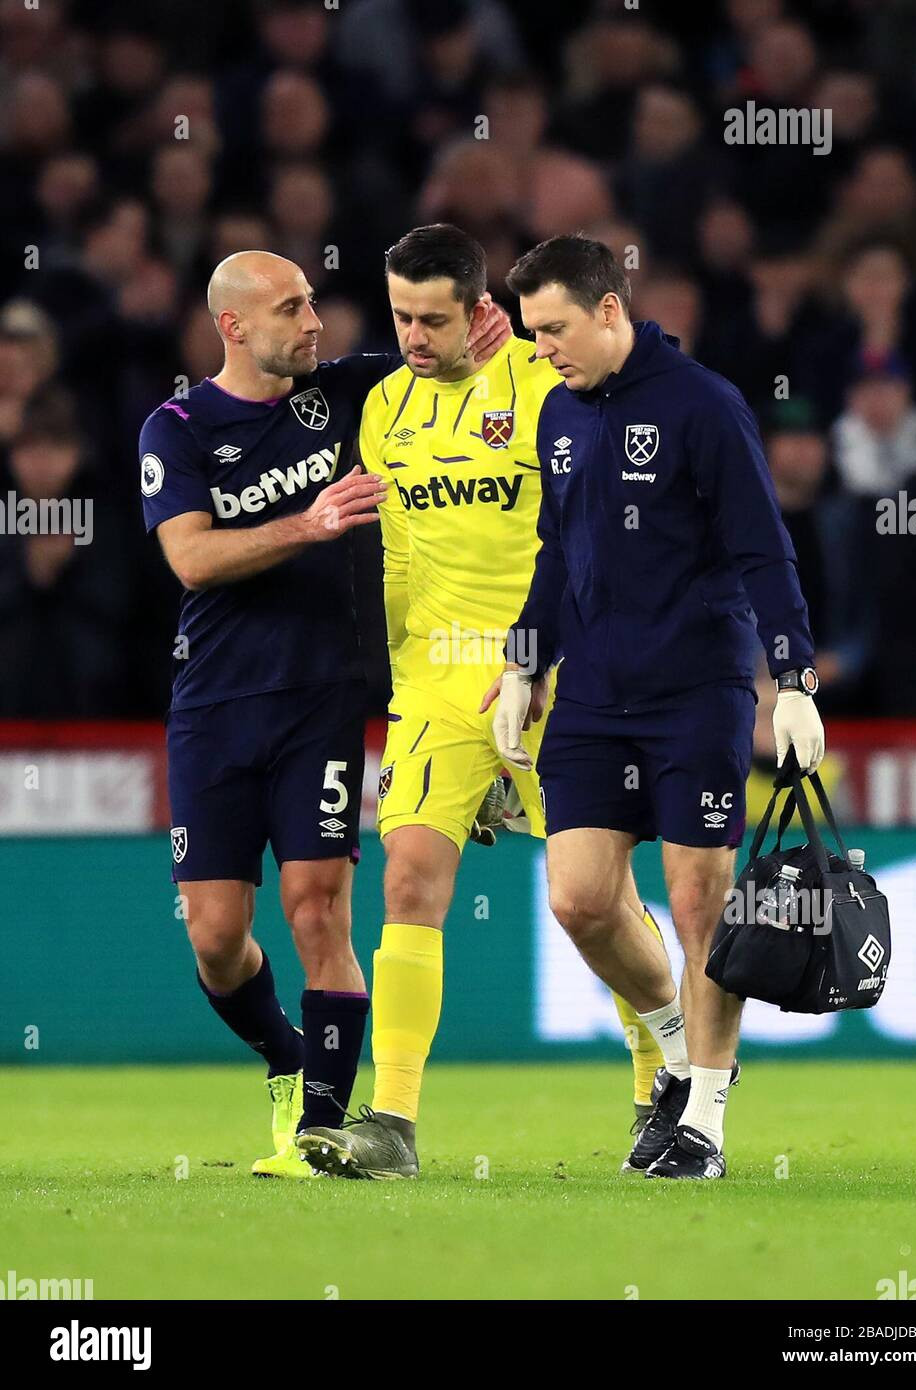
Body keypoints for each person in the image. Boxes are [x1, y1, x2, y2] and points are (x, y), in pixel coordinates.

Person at [296, 224, 676, 1180]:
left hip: (555, 675)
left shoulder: (546, 388)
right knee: (410, 878)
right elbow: (390, 550)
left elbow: (603, 513)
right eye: (399, 317)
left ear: (483, 312)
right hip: (436, 681)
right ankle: (394, 1122)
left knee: (599, 902)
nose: (414, 338)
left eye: (432, 319)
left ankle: (656, 1089)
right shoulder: (384, 406)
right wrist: (379, 672)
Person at [138, 249, 507, 1178]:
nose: (316, 323)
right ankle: (285, 1058)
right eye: (292, 308)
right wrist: (310, 522)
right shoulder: (177, 427)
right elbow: (189, 560)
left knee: (317, 915)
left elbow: (454, 357)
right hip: (215, 702)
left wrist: (489, 329)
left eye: (314, 303)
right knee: (218, 938)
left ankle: (324, 1129)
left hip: (326, 696)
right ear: (234, 326)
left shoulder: (351, 393)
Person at [488, 235, 825, 1179]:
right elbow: (556, 554)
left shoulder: (703, 407)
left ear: (607, 310)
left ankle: (705, 1126)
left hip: (694, 692)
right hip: (592, 693)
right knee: (580, 900)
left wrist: (792, 678)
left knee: (697, 906)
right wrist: (524, 664)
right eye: (528, 332)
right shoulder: (556, 416)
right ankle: (676, 1057)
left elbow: (763, 549)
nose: (539, 348)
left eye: (552, 328)